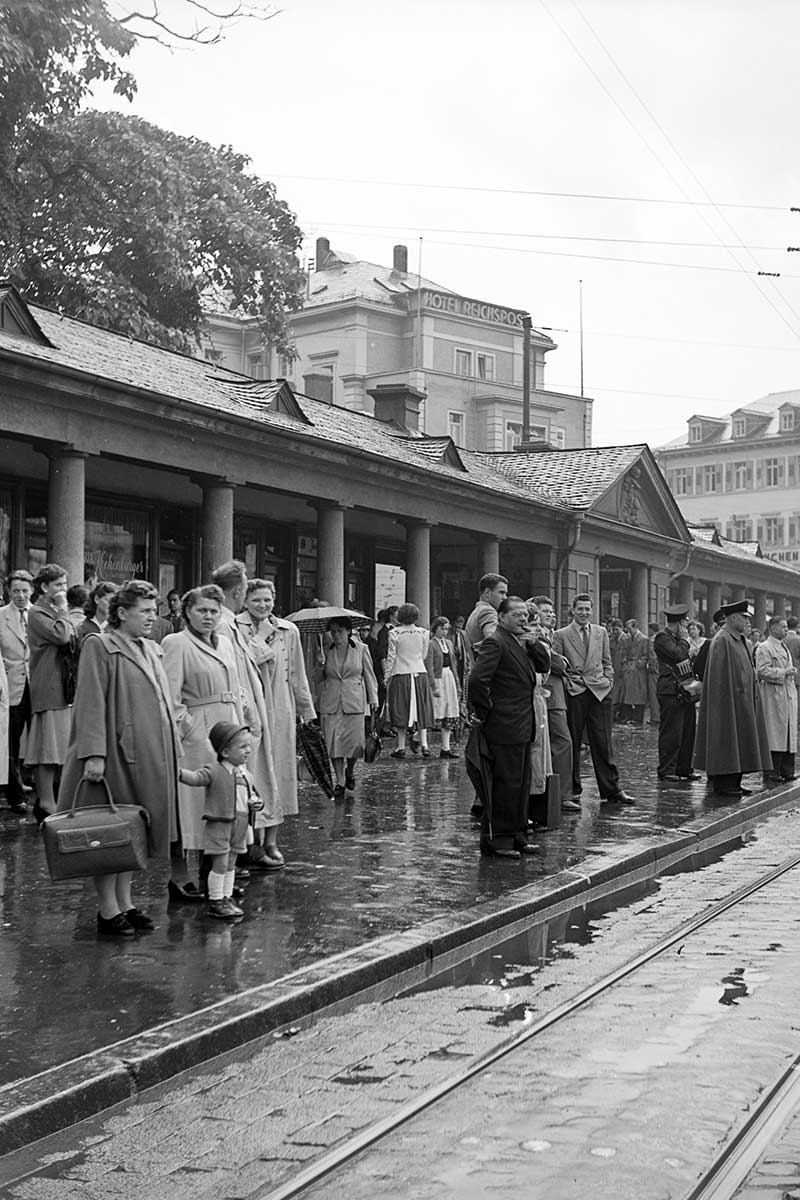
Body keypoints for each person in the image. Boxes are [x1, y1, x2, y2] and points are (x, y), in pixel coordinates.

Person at [57, 580, 181, 937]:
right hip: (113, 755)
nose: (151, 618)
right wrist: (93, 755)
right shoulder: (100, 644)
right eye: (144, 611)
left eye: (153, 611)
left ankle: (125, 902)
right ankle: (107, 910)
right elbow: (90, 703)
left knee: (133, 832)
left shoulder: (149, 647)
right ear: (122, 612)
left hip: (147, 755)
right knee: (109, 834)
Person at [161, 585, 243, 899]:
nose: (208, 617)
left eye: (214, 611)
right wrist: (190, 730)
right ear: (187, 612)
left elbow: (235, 686)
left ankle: (215, 876)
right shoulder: (176, 643)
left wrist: (241, 730)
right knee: (191, 808)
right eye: (201, 610)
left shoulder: (224, 642)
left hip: (227, 731)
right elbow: (170, 696)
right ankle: (179, 876)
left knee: (223, 807)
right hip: (197, 736)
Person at [468, 596, 550, 858]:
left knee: (520, 783)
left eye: (525, 614)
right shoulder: (496, 641)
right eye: (516, 614)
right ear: (502, 617)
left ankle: (517, 835)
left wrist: (535, 644)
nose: (523, 618)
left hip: (523, 724)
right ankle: (497, 841)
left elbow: (544, 665)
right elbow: (478, 680)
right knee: (504, 784)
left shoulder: (522, 641)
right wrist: (486, 713)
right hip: (503, 725)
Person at [211, 562, 281, 869]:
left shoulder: (227, 623)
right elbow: (237, 672)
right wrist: (248, 716)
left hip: (247, 712)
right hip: (241, 714)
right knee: (242, 784)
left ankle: (241, 852)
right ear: (239, 591)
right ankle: (237, 856)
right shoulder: (227, 625)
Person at [236, 578, 316, 822]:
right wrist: (260, 636)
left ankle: (272, 828)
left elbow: (296, 673)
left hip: (281, 705)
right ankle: (252, 826)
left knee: (280, 766)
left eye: (267, 600)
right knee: (252, 766)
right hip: (251, 704)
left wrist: (307, 711)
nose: (262, 605)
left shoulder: (289, 630)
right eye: (256, 600)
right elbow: (245, 663)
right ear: (245, 601)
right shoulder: (235, 628)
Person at [553, 593, 635, 807]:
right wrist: (572, 683)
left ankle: (612, 789)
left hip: (599, 691)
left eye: (588, 609)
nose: (584, 613)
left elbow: (607, 661)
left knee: (603, 741)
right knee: (573, 741)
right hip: (576, 691)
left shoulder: (600, 632)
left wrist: (608, 681)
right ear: (573, 610)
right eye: (580, 609)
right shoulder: (561, 635)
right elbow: (559, 666)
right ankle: (572, 790)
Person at [180, 722, 265, 921]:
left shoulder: (246, 775)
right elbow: (195, 778)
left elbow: (254, 797)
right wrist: (179, 773)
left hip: (240, 825)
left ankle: (226, 898)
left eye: (248, 746)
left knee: (230, 865)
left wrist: (257, 804)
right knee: (219, 864)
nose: (248, 750)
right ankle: (216, 901)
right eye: (243, 747)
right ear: (225, 752)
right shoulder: (214, 770)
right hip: (220, 824)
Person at [693, 600, 765, 797]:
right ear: (733, 618)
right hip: (728, 703)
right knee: (728, 741)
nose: (748, 622)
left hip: (740, 701)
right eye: (745, 618)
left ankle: (734, 781)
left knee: (739, 742)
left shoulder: (737, 638)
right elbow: (718, 679)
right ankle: (725, 784)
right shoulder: (722, 640)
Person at [26, 564, 74, 821]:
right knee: (47, 747)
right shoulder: (37, 612)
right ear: (44, 587)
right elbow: (63, 635)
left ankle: (52, 799)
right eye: (58, 585)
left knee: (59, 747)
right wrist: (64, 608)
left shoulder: (51, 610)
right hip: (48, 688)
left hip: (60, 688)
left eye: (65, 585)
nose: (63, 591)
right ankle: (46, 800)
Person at [314, 615, 378, 797]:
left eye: (339, 631)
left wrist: (373, 699)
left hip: (354, 700)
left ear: (348, 631)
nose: (336, 635)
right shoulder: (326, 651)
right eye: (333, 632)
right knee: (334, 743)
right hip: (331, 702)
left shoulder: (361, 649)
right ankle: (340, 781)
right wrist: (319, 665)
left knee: (355, 744)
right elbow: (317, 678)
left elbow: (369, 675)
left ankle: (350, 770)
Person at [531, 594, 577, 813]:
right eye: (546, 612)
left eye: (552, 612)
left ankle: (556, 793)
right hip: (548, 695)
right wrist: (559, 661)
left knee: (555, 745)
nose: (551, 615)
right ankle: (560, 795)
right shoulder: (537, 635)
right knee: (562, 742)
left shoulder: (549, 635)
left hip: (553, 694)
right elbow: (553, 664)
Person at [653, 605, 701, 782]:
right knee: (671, 732)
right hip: (670, 690)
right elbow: (679, 654)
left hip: (685, 689)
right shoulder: (662, 638)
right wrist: (686, 641)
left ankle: (684, 768)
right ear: (680, 622)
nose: (687, 626)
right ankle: (667, 769)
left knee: (688, 731)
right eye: (685, 622)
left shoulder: (677, 638)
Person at [0, 570, 33, 814]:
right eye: (16, 591)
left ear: (32, 590)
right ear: (8, 592)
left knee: (43, 741)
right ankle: (16, 796)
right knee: (10, 743)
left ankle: (46, 794)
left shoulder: (40, 615)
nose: (20, 596)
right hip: (11, 687)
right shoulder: (1, 616)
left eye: (24, 590)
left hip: (40, 687)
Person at [384, 602, 435, 758]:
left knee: (401, 709)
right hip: (419, 672)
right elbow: (424, 655)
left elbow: (391, 656)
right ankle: (424, 745)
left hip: (401, 673)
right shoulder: (424, 633)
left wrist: (387, 676)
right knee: (422, 708)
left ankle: (401, 747)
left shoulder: (394, 633)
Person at [755, 616, 797, 783]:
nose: (786, 630)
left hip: (787, 692)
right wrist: (783, 673)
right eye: (783, 627)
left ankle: (787, 770)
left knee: (787, 732)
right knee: (775, 733)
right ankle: (772, 771)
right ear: (772, 628)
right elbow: (762, 671)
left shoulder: (783, 646)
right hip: (774, 693)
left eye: (787, 627)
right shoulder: (764, 648)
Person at [524, 600, 554, 825]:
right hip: (525, 703)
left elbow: (544, 671)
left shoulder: (539, 645)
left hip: (536, 701)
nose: (532, 631)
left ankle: (535, 804)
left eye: (534, 625)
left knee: (537, 755)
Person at [426, 616, 461, 758]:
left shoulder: (449, 643)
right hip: (438, 678)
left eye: (447, 629)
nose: (445, 632)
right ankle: (417, 738)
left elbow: (453, 664)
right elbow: (428, 666)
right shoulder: (431, 644)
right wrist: (433, 685)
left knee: (449, 711)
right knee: (436, 711)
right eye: (442, 629)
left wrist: (457, 683)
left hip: (448, 678)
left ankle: (445, 748)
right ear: (435, 629)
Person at [464, 574, 508, 664]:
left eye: (505, 593)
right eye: (501, 592)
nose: (505, 597)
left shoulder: (478, 611)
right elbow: (494, 640)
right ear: (487, 593)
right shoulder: (488, 612)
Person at [620, 618, 648, 724]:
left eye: (629, 629)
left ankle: (637, 717)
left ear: (636, 627)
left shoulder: (644, 640)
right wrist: (624, 663)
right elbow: (624, 653)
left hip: (638, 671)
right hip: (628, 668)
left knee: (639, 694)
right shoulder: (627, 640)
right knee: (627, 693)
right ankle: (628, 715)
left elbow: (645, 655)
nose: (628, 631)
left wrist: (638, 664)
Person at [608, 619, 626, 721]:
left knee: (623, 693)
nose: (615, 632)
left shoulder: (627, 640)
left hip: (623, 670)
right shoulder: (611, 640)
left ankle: (621, 714)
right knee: (614, 693)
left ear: (622, 628)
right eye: (613, 630)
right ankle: (614, 714)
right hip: (613, 669)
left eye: (617, 630)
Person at [646, 622, 661, 725]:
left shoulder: (652, 640)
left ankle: (655, 717)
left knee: (653, 693)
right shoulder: (660, 638)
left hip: (654, 669)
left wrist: (652, 667)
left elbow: (652, 656)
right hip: (660, 668)